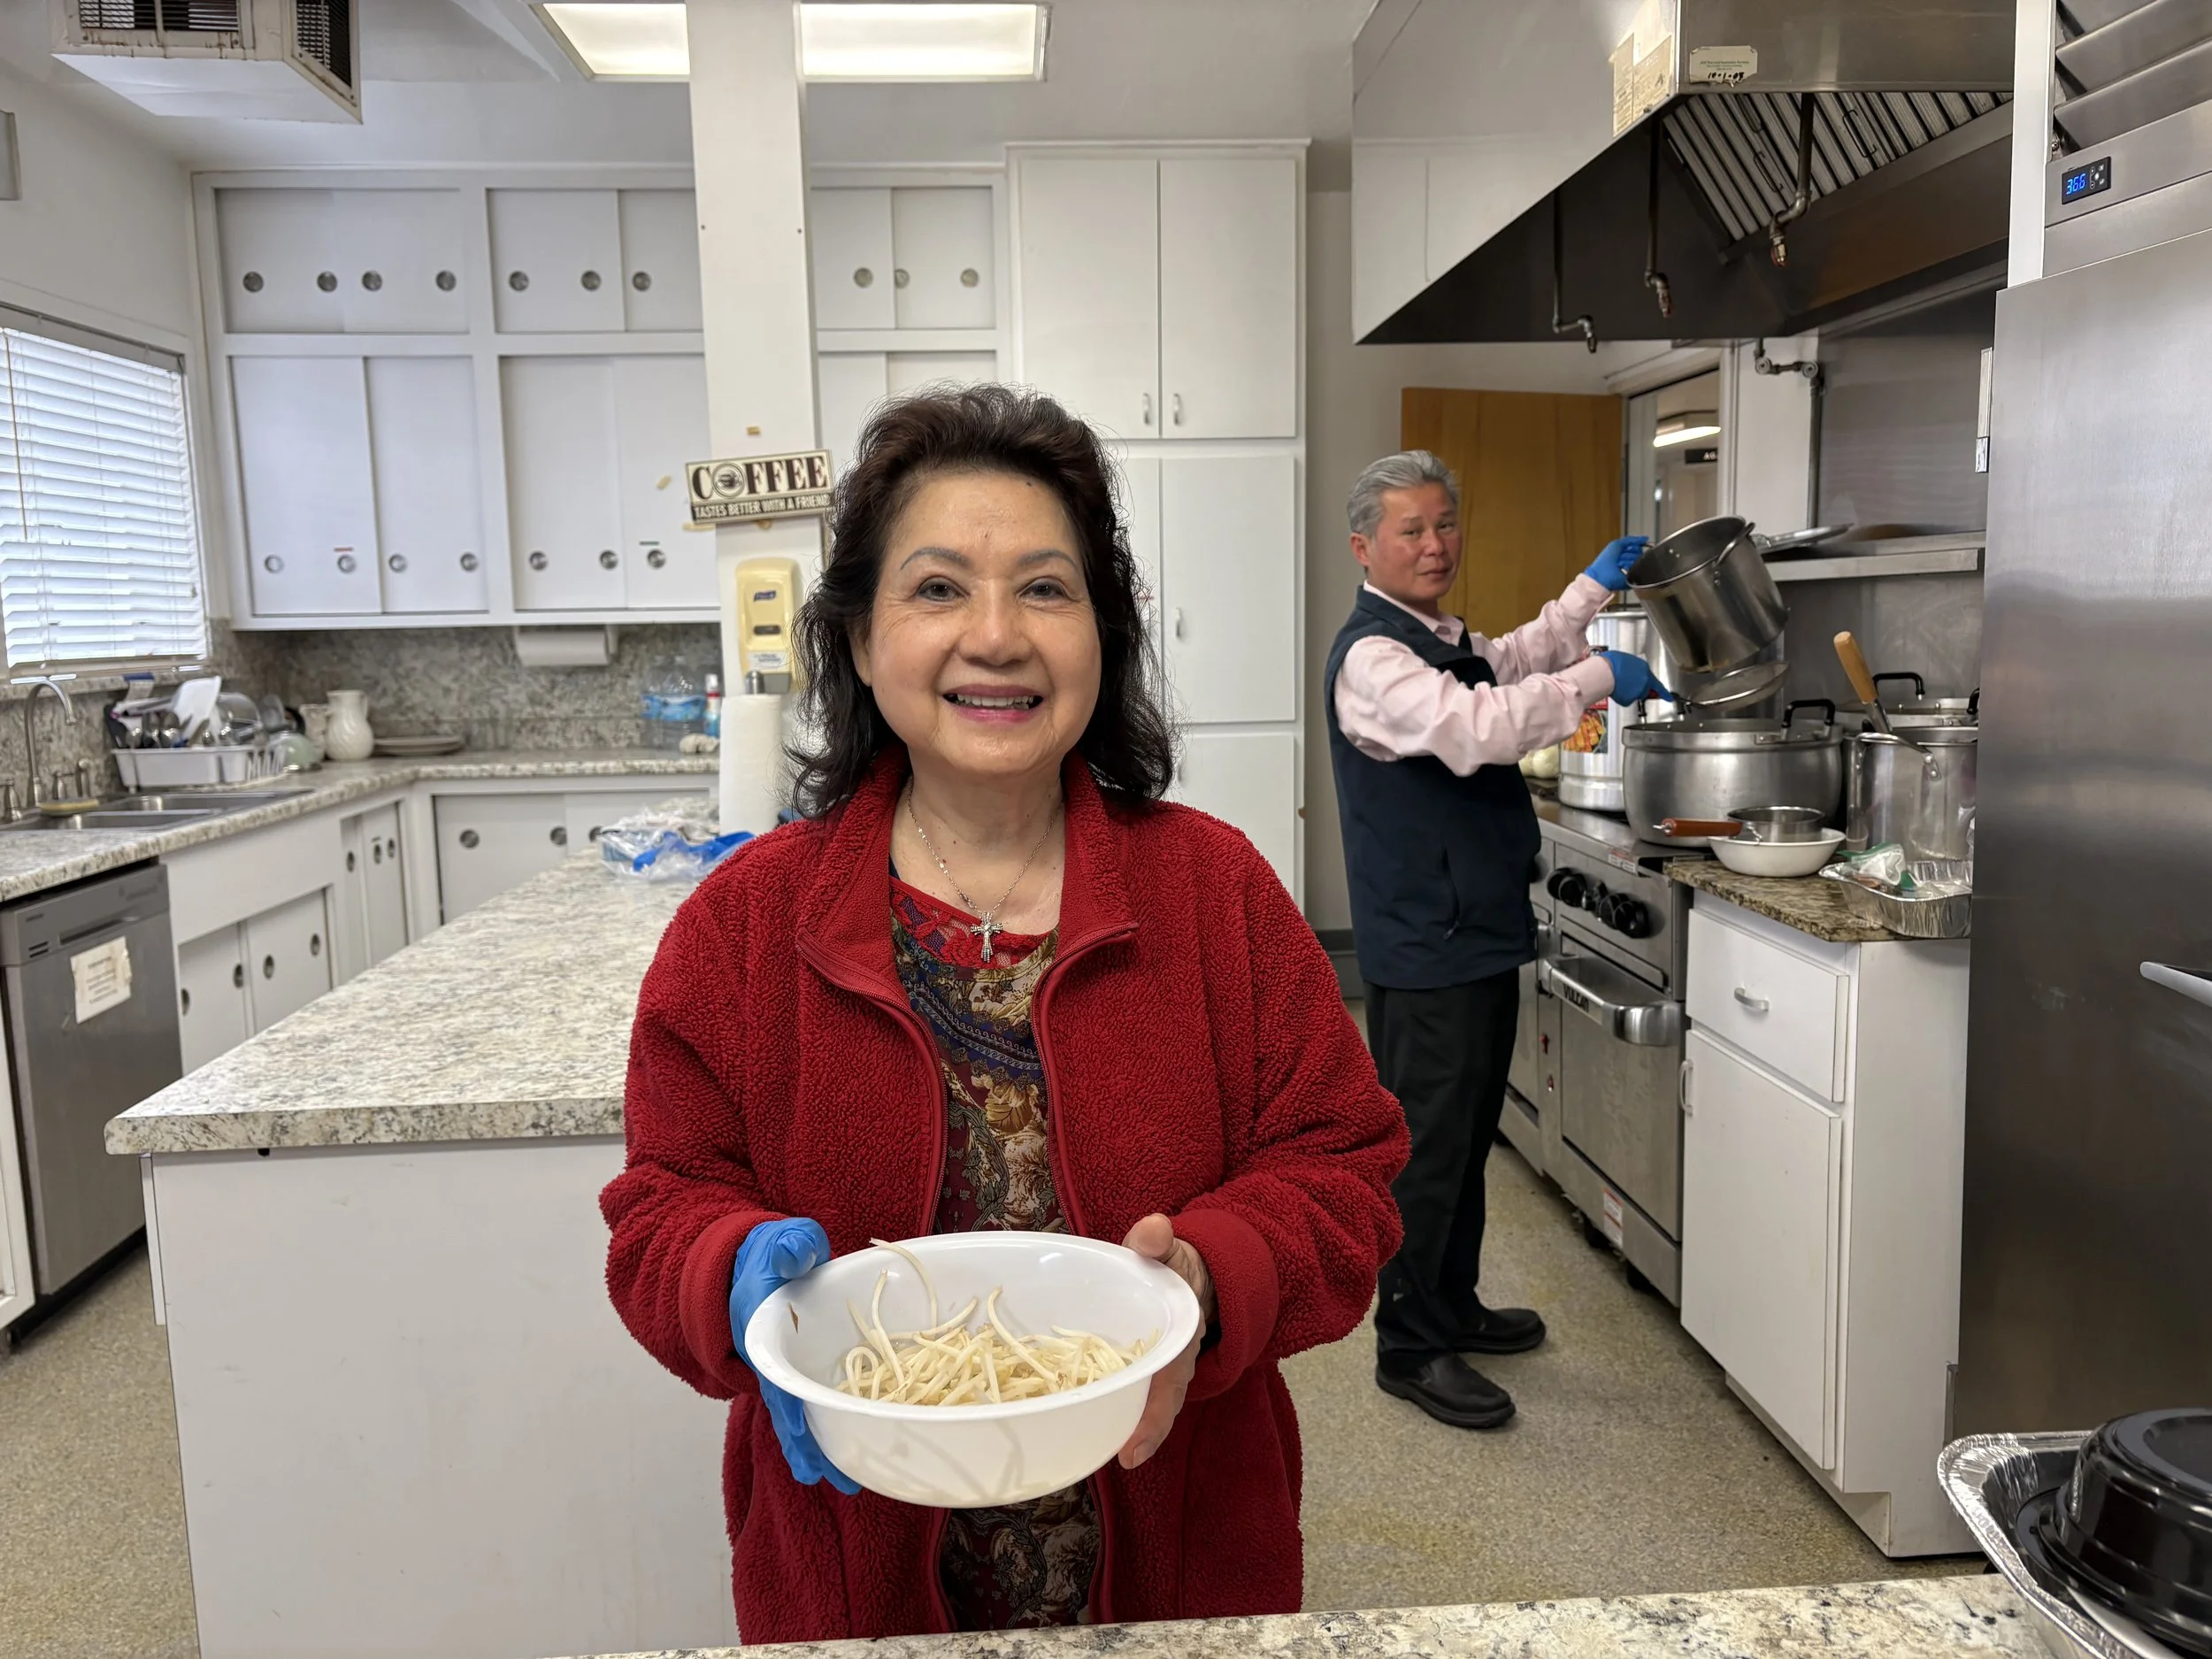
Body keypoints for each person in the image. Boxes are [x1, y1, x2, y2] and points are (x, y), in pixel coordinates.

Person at [603, 384, 1409, 1643]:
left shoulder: (1214, 892)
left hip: (1177, 1564)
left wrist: (1210, 1274)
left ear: (1105, 633)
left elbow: (1344, 1168)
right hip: (852, 1580)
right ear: (862, 641)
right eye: (936, 588)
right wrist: (735, 1279)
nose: (996, 635)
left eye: (1045, 587)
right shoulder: (747, 925)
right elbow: (659, 1209)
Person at [1324, 449, 1669, 1433]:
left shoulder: (1434, 635)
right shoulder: (1373, 657)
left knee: (1468, 1136)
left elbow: (1507, 662)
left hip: (1470, 928)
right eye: (1410, 530)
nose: (1434, 545)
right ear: (1365, 546)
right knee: (1428, 1147)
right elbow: (1478, 725)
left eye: (1444, 524)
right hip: (1425, 941)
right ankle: (1409, 1345)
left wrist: (1585, 597)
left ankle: (1453, 1305)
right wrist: (1600, 675)